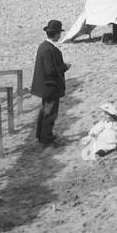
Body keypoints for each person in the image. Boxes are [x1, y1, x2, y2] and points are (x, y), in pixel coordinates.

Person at [31, 19, 70, 147]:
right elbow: (51, 70)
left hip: (45, 86)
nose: (60, 35)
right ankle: (47, 138)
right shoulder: (49, 49)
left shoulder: (44, 46)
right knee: (50, 114)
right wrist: (65, 67)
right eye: (60, 33)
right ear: (57, 34)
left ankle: (41, 135)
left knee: (45, 112)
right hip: (50, 86)